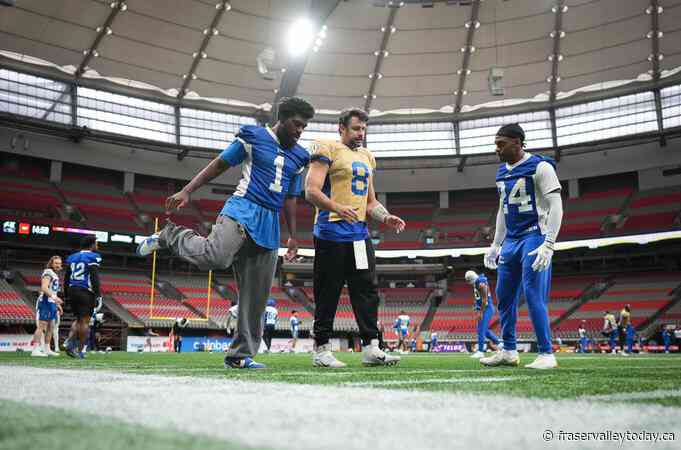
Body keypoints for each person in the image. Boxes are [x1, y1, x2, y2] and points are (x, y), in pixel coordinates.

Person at [136, 97, 315, 369]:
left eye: (304, 127)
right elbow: (219, 164)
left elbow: (291, 197)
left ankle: (240, 355)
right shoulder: (253, 137)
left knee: (257, 296)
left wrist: (292, 234)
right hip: (242, 209)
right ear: (281, 119)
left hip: (269, 224)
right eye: (296, 124)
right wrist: (187, 190)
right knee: (215, 257)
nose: (300, 131)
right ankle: (168, 236)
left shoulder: (301, 156)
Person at [305, 107, 405, 368]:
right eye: (356, 128)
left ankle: (372, 347)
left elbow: (370, 202)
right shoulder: (326, 148)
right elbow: (311, 191)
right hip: (330, 233)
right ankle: (322, 348)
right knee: (328, 291)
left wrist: (386, 217)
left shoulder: (367, 157)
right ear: (341, 128)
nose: (361, 133)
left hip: (359, 236)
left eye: (363, 128)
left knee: (366, 290)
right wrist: (337, 207)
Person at [480, 123, 563, 370]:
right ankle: (508, 350)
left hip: (534, 236)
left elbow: (556, 204)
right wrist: (496, 243)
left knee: (533, 292)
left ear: (517, 142)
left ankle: (547, 353)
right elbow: (503, 210)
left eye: (501, 144)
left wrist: (549, 243)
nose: (496, 149)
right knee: (504, 296)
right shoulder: (501, 172)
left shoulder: (541, 166)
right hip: (512, 241)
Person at [63, 236, 102, 359]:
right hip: (85, 291)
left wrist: (66, 294)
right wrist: (98, 294)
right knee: (85, 321)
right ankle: (80, 351)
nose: (97, 245)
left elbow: (66, 277)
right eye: (96, 243)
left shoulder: (72, 257)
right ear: (91, 244)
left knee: (79, 319)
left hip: (72, 290)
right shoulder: (93, 257)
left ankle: (69, 343)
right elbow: (94, 277)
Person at [31, 256, 63, 357]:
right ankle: (35, 349)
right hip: (45, 301)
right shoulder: (48, 272)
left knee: (51, 327)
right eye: (56, 263)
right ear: (51, 263)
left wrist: (57, 304)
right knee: (41, 326)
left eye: (59, 263)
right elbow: (44, 288)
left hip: (52, 303)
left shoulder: (55, 274)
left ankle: (47, 349)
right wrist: (54, 298)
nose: (58, 265)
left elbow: (53, 290)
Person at [465, 270, 501, 359]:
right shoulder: (477, 281)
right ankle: (500, 344)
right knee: (483, 330)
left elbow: (485, 300)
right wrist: (476, 305)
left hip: (487, 308)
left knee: (481, 329)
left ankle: (480, 351)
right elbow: (479, 297)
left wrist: (480, 312)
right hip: (485, 308)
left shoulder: (480, 283)